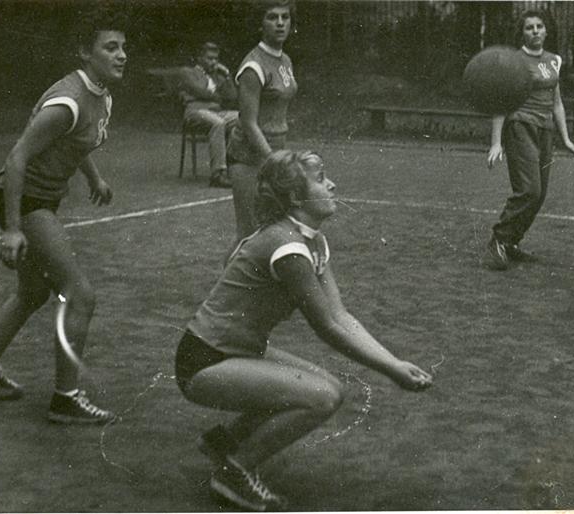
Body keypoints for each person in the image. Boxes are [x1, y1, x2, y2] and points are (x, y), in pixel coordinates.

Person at [175, 149, 433, 511]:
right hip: (204, 360)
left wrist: (394, 362)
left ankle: (225, 442)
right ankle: (234, 472)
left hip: (236, 350)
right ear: (296, 197)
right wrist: (391, 370)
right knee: (322, 397)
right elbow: (328, 327)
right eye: (321, 179)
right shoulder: (288, 247)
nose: (332, 184)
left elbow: (340, 315)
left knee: (330, 388)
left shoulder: (312, 241)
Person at [0, 14, 126, 423]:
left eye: (123, 47)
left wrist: (95, 178)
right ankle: (66, 398)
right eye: (110, 47)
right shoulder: (67, 101)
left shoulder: (100, 95)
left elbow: (76, 143)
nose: (121, 55)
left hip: (41, 198)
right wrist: (13, 229)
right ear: (85, 52)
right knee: (79, 295)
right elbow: (17, 157)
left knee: (32, 293)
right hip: (25, 200)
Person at [481, 9, 574, 271]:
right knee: (529, 190)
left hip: (545, 130)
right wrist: (496, 142)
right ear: (522, 33)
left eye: (539, 26)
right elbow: (502, 101)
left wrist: (566, 139)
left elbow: (557, 103)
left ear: (546, 31)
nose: (535, 31)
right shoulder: (514, 61)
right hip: (521, 126)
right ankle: (498, 240)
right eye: (529, 27)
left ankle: (511, 242)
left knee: (539, 195)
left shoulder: (554, 60)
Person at [227, 0, 298, 243]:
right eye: (272, 17)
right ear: (260, 24)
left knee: (274, 230)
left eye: (285, 17)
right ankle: (231, 271)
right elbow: (249, 123)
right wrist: (272, 161)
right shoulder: (253, 65)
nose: (280, 23)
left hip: (274, 155)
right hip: (248, 158)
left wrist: (278, 158)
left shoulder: (285, 60)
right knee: (249, 236)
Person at [178, 41, 238, 188]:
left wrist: (227, 75)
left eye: (216, 59)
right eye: (209, 58)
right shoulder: (187, 72)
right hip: (195, 112)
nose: (213, 62)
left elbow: (232, 97)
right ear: (200, 58)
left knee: (242, 118)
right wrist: (217, 96)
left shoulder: (218, 76)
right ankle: (218, 174)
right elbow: (200, 91)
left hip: (216, 112)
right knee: (218, 123)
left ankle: (233, 166)